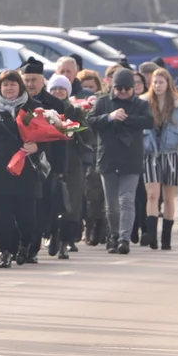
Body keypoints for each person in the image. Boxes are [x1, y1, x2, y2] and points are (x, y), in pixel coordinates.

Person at [0, 70, 44, 268]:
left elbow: (49, 136)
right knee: (1, 215)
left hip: (26, 169)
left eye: (13, 84)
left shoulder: (34, 107)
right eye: (5, 85)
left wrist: (37, 147)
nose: (9, 88)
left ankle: (25, 244)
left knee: (26, 215)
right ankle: (5, 251)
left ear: (20, 86)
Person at [89, 68, 154, 254]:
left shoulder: (140, 105)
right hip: (108, 157)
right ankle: (114, 235)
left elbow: (149, 122)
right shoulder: (103, 102)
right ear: (112, 87)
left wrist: (125, 119)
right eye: (119, 88)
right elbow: (90, 121)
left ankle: (124, 239)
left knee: (127, 199)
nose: (123, 92)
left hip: (130, 158)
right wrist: (110, 117)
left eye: (127, 88)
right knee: (111, 204)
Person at [140, 68, 178, 250]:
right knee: (152, 195)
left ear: (168, 84)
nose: (157, 86)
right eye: (155, 82)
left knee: (169, 197)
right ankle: (151, 237)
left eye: (161, 82)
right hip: (150, 154)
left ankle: (166, 239)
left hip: (171, 154)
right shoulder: (144, 104)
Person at [21, 57, 67, 261]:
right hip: (20, 162)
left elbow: (62, 138)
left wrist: (60, 169)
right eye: (27, 80)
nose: (30, 84)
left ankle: (34, 245)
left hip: (46, 165)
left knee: (42, 207)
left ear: (42, 81)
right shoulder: (17, 102)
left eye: (34, 80)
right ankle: (22, 244)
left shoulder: (54, 104)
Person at [47, 74, 89, 258]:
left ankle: (65, 241)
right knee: (51, 201)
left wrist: (73, 130)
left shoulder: (76, 111)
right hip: (50, 161)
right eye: (54, 89)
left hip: (72, 162)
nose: (57, 92)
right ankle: (52, 235)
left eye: (61, 89)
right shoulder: (44, 110)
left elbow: (88, 135)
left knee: (70, 203)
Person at [76, 71, 107, 246]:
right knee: (87, 194)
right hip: (85, 154)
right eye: (84, 86)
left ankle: (98, 227)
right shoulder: (77, 107)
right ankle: (86, 227)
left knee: (97, 195)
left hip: (99, 153)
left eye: (91, 87)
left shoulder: (101, 104)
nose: (88, 90)